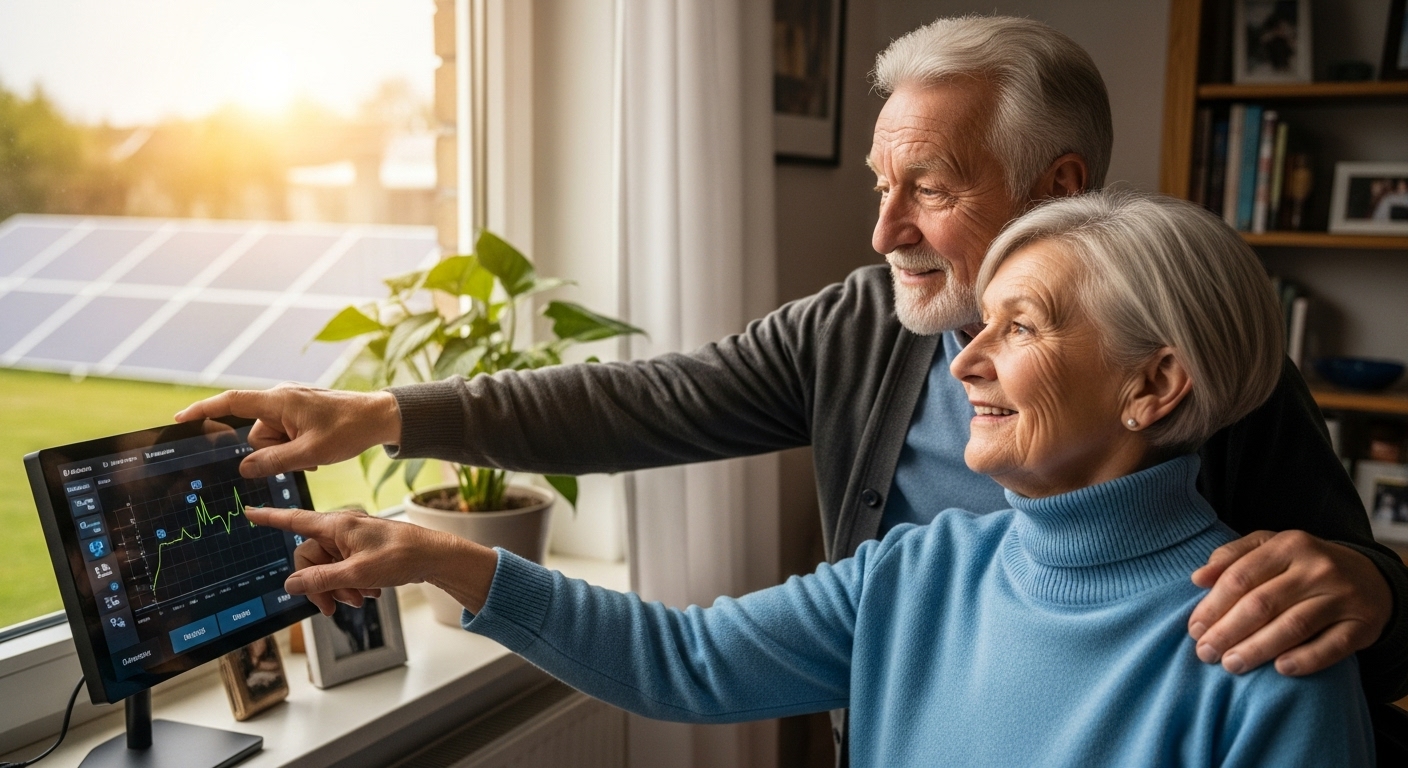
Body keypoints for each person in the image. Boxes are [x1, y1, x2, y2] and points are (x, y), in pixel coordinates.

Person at [177, 16, 1408, 723]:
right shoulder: (913, 566)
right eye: (883, 185)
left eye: (928, 187)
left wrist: (1369, 582)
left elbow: (1354, 597)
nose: (883, 232)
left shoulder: (1247, 653)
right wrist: (386, 417)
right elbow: (649, 416)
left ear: (1057, 192)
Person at [243, 191, 1375, 766]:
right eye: (975, 326)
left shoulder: (1260, 651)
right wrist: (445, 557)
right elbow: (678, 661)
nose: (965, 359)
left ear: (1154, 386)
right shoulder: (919, 571)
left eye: (1016, 328)